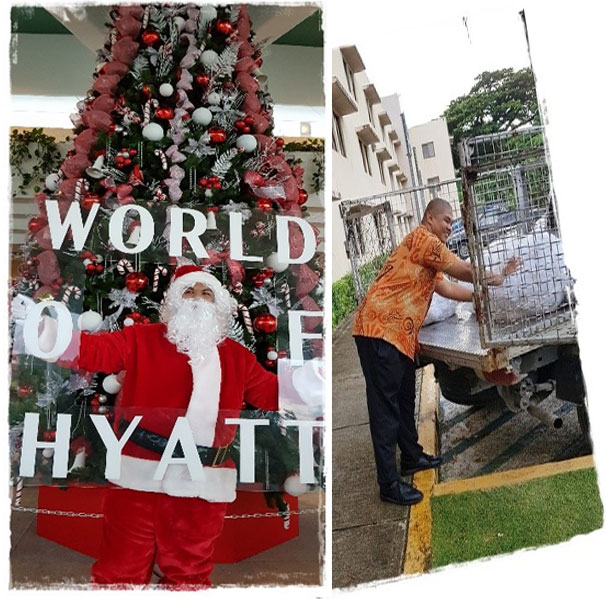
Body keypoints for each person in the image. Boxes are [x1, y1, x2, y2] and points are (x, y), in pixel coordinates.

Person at [13, 265, 279, 587]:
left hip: (202, 483)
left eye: (206, 293)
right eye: (188, 291)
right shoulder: (141, 339)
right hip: (138, 476)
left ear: (219, 306)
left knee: (189, 575)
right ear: (173, 302)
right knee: (120, 571)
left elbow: (271, 392)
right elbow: (95, 351)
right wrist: (43, 330)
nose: (197, 300)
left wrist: (311, 385)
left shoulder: (237, 357)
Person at [352, 198, 519, 506]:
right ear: (429, 218)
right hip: (379, 331)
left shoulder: (426, 253)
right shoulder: (423, 239)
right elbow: (463, 269)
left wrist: (477, 297)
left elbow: (447, 288)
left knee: (403, 400)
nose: (449, 226)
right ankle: (389, 484)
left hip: (397, 337)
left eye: (452, 222)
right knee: (385, 410)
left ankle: (411, 457)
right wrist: (494, 278)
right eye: (446, 220)